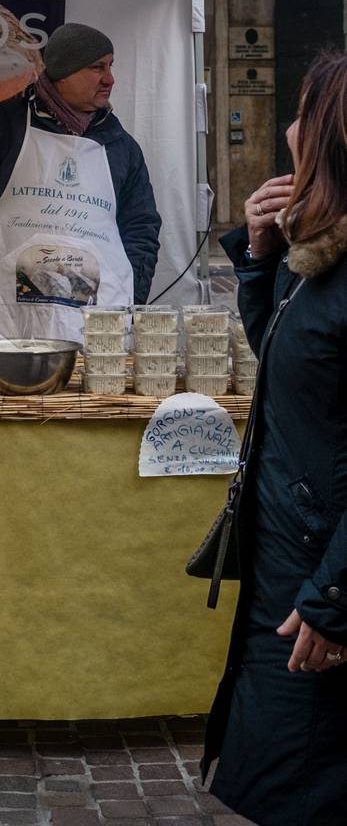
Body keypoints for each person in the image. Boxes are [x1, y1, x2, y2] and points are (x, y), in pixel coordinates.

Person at [204, 51, 347, 826]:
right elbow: (282, 368)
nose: (286, 129)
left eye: (300, 114)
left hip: (321, 581)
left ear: (324, 139)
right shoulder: (317, 254)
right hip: (292, 560)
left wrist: (334, 599)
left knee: (300, 777)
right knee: (275, 770)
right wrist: (259, 258)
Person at [0, 22, 160, 340]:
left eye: (110, 66)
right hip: (7, 321)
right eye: (97, 67)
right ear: (63, 72)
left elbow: (142, 230)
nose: (110, 79)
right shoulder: (0, 129)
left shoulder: (120, 146)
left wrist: (130, 293)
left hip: (96, 325)